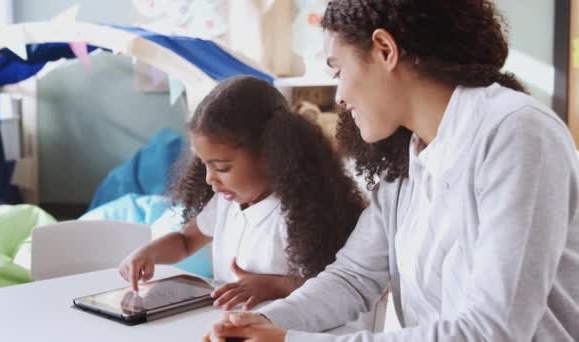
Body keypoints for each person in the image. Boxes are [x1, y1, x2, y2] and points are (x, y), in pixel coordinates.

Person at [205, 1, 579, 341]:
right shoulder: (406, 161)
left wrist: (290, 340)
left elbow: (493, 330)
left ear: (385, 50)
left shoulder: (517, 133)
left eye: (338, 70)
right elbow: (353, 278)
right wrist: (264, 323)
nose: (339, 96)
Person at [119, 75, 366, 311]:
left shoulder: (299, 211)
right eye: (204, 164)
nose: (209, 178)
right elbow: (185, 241)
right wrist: (148, 253)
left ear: (270, 155)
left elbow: (334, 283)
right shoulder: (225, 203)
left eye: (222, 168)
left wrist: (276, 285)